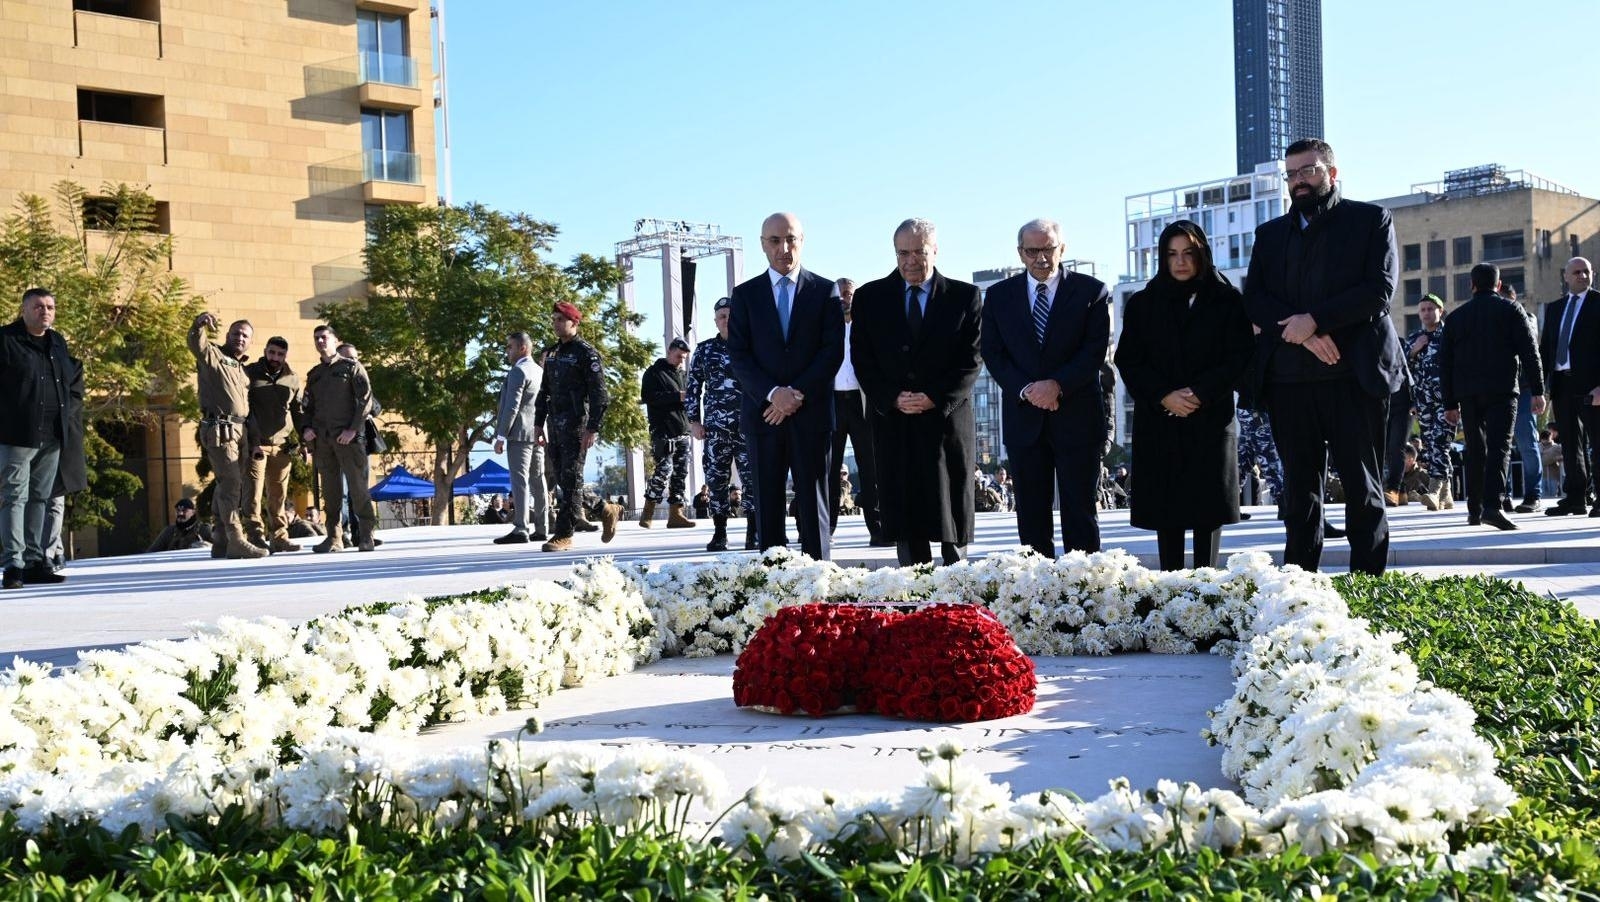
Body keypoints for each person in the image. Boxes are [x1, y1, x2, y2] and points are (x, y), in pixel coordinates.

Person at [1240, 138, 1403, 576]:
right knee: (1299, 493)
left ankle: (1368, 587)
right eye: (1291, 174)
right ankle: (1299, 587)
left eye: (1308, 170)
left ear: (1332, 173)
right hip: (1289, 380)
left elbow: (1378, 290)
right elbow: (1255, 299)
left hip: (1355, 375)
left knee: (1362, 487)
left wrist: (1314, 320)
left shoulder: (1370, 220)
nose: (1299, 181)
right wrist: (1302, 333)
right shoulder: (1270, 235)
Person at [1115, 220, 1255, 570]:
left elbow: (1240, 356)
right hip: (1161, 421)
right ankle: (1171, 593)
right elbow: (1129, 360)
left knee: (1208, 515)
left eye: (1188, 253)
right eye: (1172, 254)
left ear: (1202, 255)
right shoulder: (1143, 303)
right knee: (1168, 516)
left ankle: (1207, 593)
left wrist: (1199, 393)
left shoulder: (1227, 300)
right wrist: (1164, 395)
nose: (1180, 262)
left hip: (1209, 419)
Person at [850, 218, 982, 567]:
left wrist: (935, 397)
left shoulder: (964, 296)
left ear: (934, 250)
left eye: (919, 252)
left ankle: (958, 596)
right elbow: (862, 359)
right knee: (907, 524)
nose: (911, 261)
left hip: (946, 424)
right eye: (902, 253)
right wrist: (892, 396)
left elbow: (971, 360)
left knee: (951, 519)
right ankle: (914, 603)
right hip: (895, 424)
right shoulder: (869, 298)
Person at [979, 218, 1112, 558]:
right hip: (1025, 420)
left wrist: (1057, 385)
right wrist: (1027, 389)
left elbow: (1094, 351)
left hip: (1078, 418)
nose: (1041, 257)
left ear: (1062, 248)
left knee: (1081, 516)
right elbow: (993, 354)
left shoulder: (1091, 292)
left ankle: (1085, 595)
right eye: (1032, 250)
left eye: (1048, 249)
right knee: (1031, 522)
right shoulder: (997, 297)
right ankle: (1035, 601)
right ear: (1020, 252)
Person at [725, 212, 845, 561]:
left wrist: (794, 394)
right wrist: (772, 395)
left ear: (802, 241)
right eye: (775, 241)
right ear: (763, 245)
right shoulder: (745, 295)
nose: (784, 248)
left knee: (814, 506)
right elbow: (739, 355)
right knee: (768, 508)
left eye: (791, 239)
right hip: (764, 417)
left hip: (812, 416)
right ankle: (776, 591)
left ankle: (821, 585)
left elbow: (831, 351)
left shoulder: (825, 292)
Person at [1439, 263, 1545, 530]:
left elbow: (1445, 364)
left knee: (1476, 450)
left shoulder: (1456, 317)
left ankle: (1475, 510)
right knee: (1499, 448)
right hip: (1503, 389)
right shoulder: (1511, 310)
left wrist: (1449, 403)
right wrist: (1539, 390)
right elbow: (1530, 352)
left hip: (1468, 394)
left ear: (1472, 286)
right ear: (1498, 285)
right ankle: (1493, 506)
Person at [0, 289, 76, 588]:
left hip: (52, 434)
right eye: (38, 306)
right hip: (16, 434)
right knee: (14, 498)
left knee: (40, 499)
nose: (45, 311)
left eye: (50, 307)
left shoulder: (57, 342)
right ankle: (13, 565)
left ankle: (33, 561)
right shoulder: (6, 340)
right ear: (24, 310)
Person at [534, 302, 621, 551]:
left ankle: (564, 534)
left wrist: (592, 427)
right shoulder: (551, 354)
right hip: (554, 424)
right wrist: (538, 424)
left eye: (561, 319)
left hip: (576, 424)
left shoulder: (586, 353)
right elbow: (544, 391)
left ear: (574, 322)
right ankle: (604, 508)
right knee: (565, 478)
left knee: (571, 476)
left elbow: (599, 395)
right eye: (554, 319)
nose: (556, 324)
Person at [189, 312, 270, 560]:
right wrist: (198, 325)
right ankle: (236, 538)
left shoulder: (241, 368)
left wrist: (254, 440)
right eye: (236, 333)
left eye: (245, 335)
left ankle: (221, 540)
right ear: (227, 335)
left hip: (240, 431)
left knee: (229, 484)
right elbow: (197, 344)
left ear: (250, 342)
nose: (240, 338)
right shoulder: (214, 355)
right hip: (220, 429)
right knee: (232, 484)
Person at [687, 297, 757, 551]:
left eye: (730, 315)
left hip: (749, 426)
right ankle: (719, 533)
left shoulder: (752, 346)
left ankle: (754, 533)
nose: (726, 321)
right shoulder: (705, 350)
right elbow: (693, 386)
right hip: (716, 429)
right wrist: (694, 421)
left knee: (752, 480)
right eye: (722, 317)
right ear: (716, 321)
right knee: (716, 480)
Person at [302, 324, 377, 552]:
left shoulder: (352, 368)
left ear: (335, 340)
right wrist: (306, 429)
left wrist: (353, 429)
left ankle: (366, 536)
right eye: (316, 338)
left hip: (349, 440)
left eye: (324, 337)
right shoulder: (314, 375)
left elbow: (366, 401)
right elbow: (307, 407)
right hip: (323, 443)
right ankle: (333, 537)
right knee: (331, 493)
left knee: (358, 490)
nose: (320, 341)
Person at [1541, 257, 1599, 517]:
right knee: (1570, 443)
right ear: (1565, 276)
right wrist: (1540, 388)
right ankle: (1576, 497)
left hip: (1591, 385)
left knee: (1597, 441)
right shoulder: (1555, 308)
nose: (1583, 276)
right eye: (1577, 272)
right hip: (1562, 383)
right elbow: (1546, 349)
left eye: (1586, 272)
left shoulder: (1598, 303)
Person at [829, 277, 885, 545]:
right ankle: (824, 530)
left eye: (848, 293)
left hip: (862, 405)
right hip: (833, 405)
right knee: (829, 469)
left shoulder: (868, 328)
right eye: (839, 295)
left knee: (870, 470)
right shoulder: (826, 330)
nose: (844, 299)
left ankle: (878, 529)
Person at [241, 335, 305, 553]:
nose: (275, 357)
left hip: (282, 446)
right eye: (272, 352)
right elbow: (244, 410)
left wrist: (304, 441)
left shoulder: (292, 378)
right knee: (253, 494)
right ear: (265, 351)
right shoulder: (250, 373)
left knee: (278, 496)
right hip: (256, 445)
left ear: (285, 355)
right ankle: (255, 535)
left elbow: (298, 412)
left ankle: (278, 537)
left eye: (280, 354)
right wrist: (252, 441)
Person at [492, 331, 549, 544]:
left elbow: (511, 407)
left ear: (522, 348)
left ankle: (521, 528)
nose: (507, 351)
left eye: (510, 347)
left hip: (519, 434)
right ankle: (542, 527)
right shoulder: (540, 371)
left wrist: (500, 436)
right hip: (537, 432)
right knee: (538, 479)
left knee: (520, 481)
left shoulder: (518, 371)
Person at [639, 337, 696, 529]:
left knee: (680, 473)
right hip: (663, 431)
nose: (681, 360)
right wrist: (676, 396)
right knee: (664, 470)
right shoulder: (654, 373)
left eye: (684, 358)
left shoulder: (684, 375)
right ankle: (648, 510)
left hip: (683, 430)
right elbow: (647, 397)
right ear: (670, 351)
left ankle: (676, 513)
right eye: (679, 356)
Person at [1405, 294, 1452, 510]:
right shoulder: (1414, 338)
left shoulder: (1450, 336)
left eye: (1430, 309)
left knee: (1441, 443)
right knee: (1432, 445)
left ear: (1440, 311)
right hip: (1423, 402)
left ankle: (1434, 491)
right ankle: (1447, 493)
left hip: (1447, 401)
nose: (1426, 313)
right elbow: (1403, 370)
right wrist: (1415, 349)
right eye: (1422, 309)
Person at [41, 353, 86, 574]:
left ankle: (47, 553)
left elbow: (73, 404)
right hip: (31, 440)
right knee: (35, 500)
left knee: (54, 501)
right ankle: (56, 550)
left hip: (60, 441)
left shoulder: (72, 367)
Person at [146, 497, 214, 552]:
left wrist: (206, 546)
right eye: (178, 511)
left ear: (193, 512)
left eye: (185, 511)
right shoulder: (169, 531)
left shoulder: (204, 529)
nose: (180, 513)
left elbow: (218, 548)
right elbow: (151, 552)